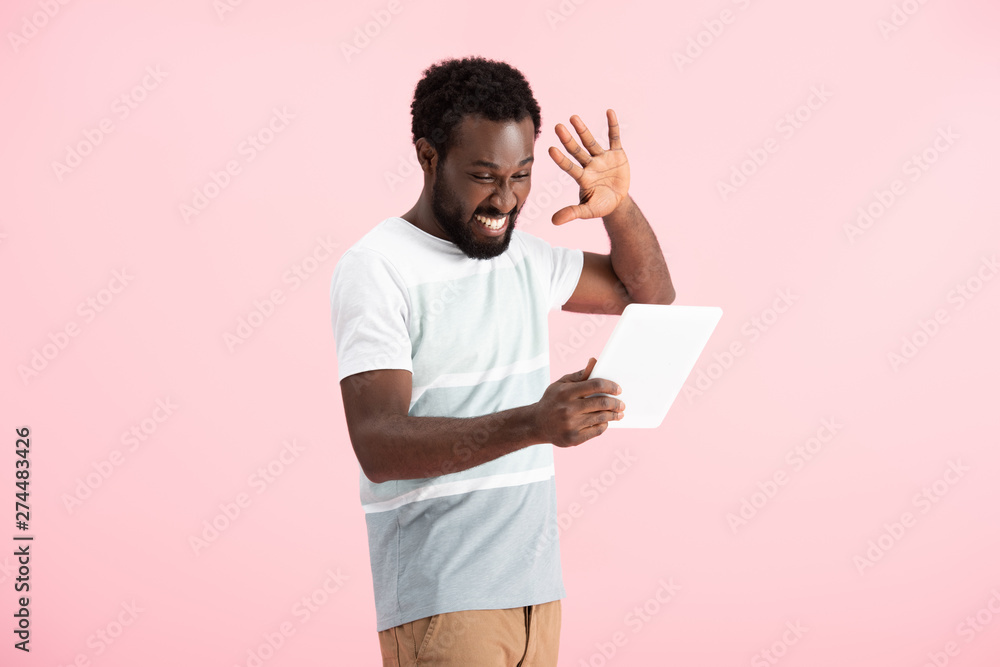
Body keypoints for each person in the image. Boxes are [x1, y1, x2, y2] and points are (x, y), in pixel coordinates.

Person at [329, 55, 675, 666]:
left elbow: (651, 297)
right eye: (485, 176)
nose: (506, 199)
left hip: (536, 595)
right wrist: (534, 423)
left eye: (522, 175)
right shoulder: (378, 268)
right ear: (428, 157)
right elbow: (378, 445)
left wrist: (619, 206)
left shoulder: (524, 259)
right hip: (445, 600)